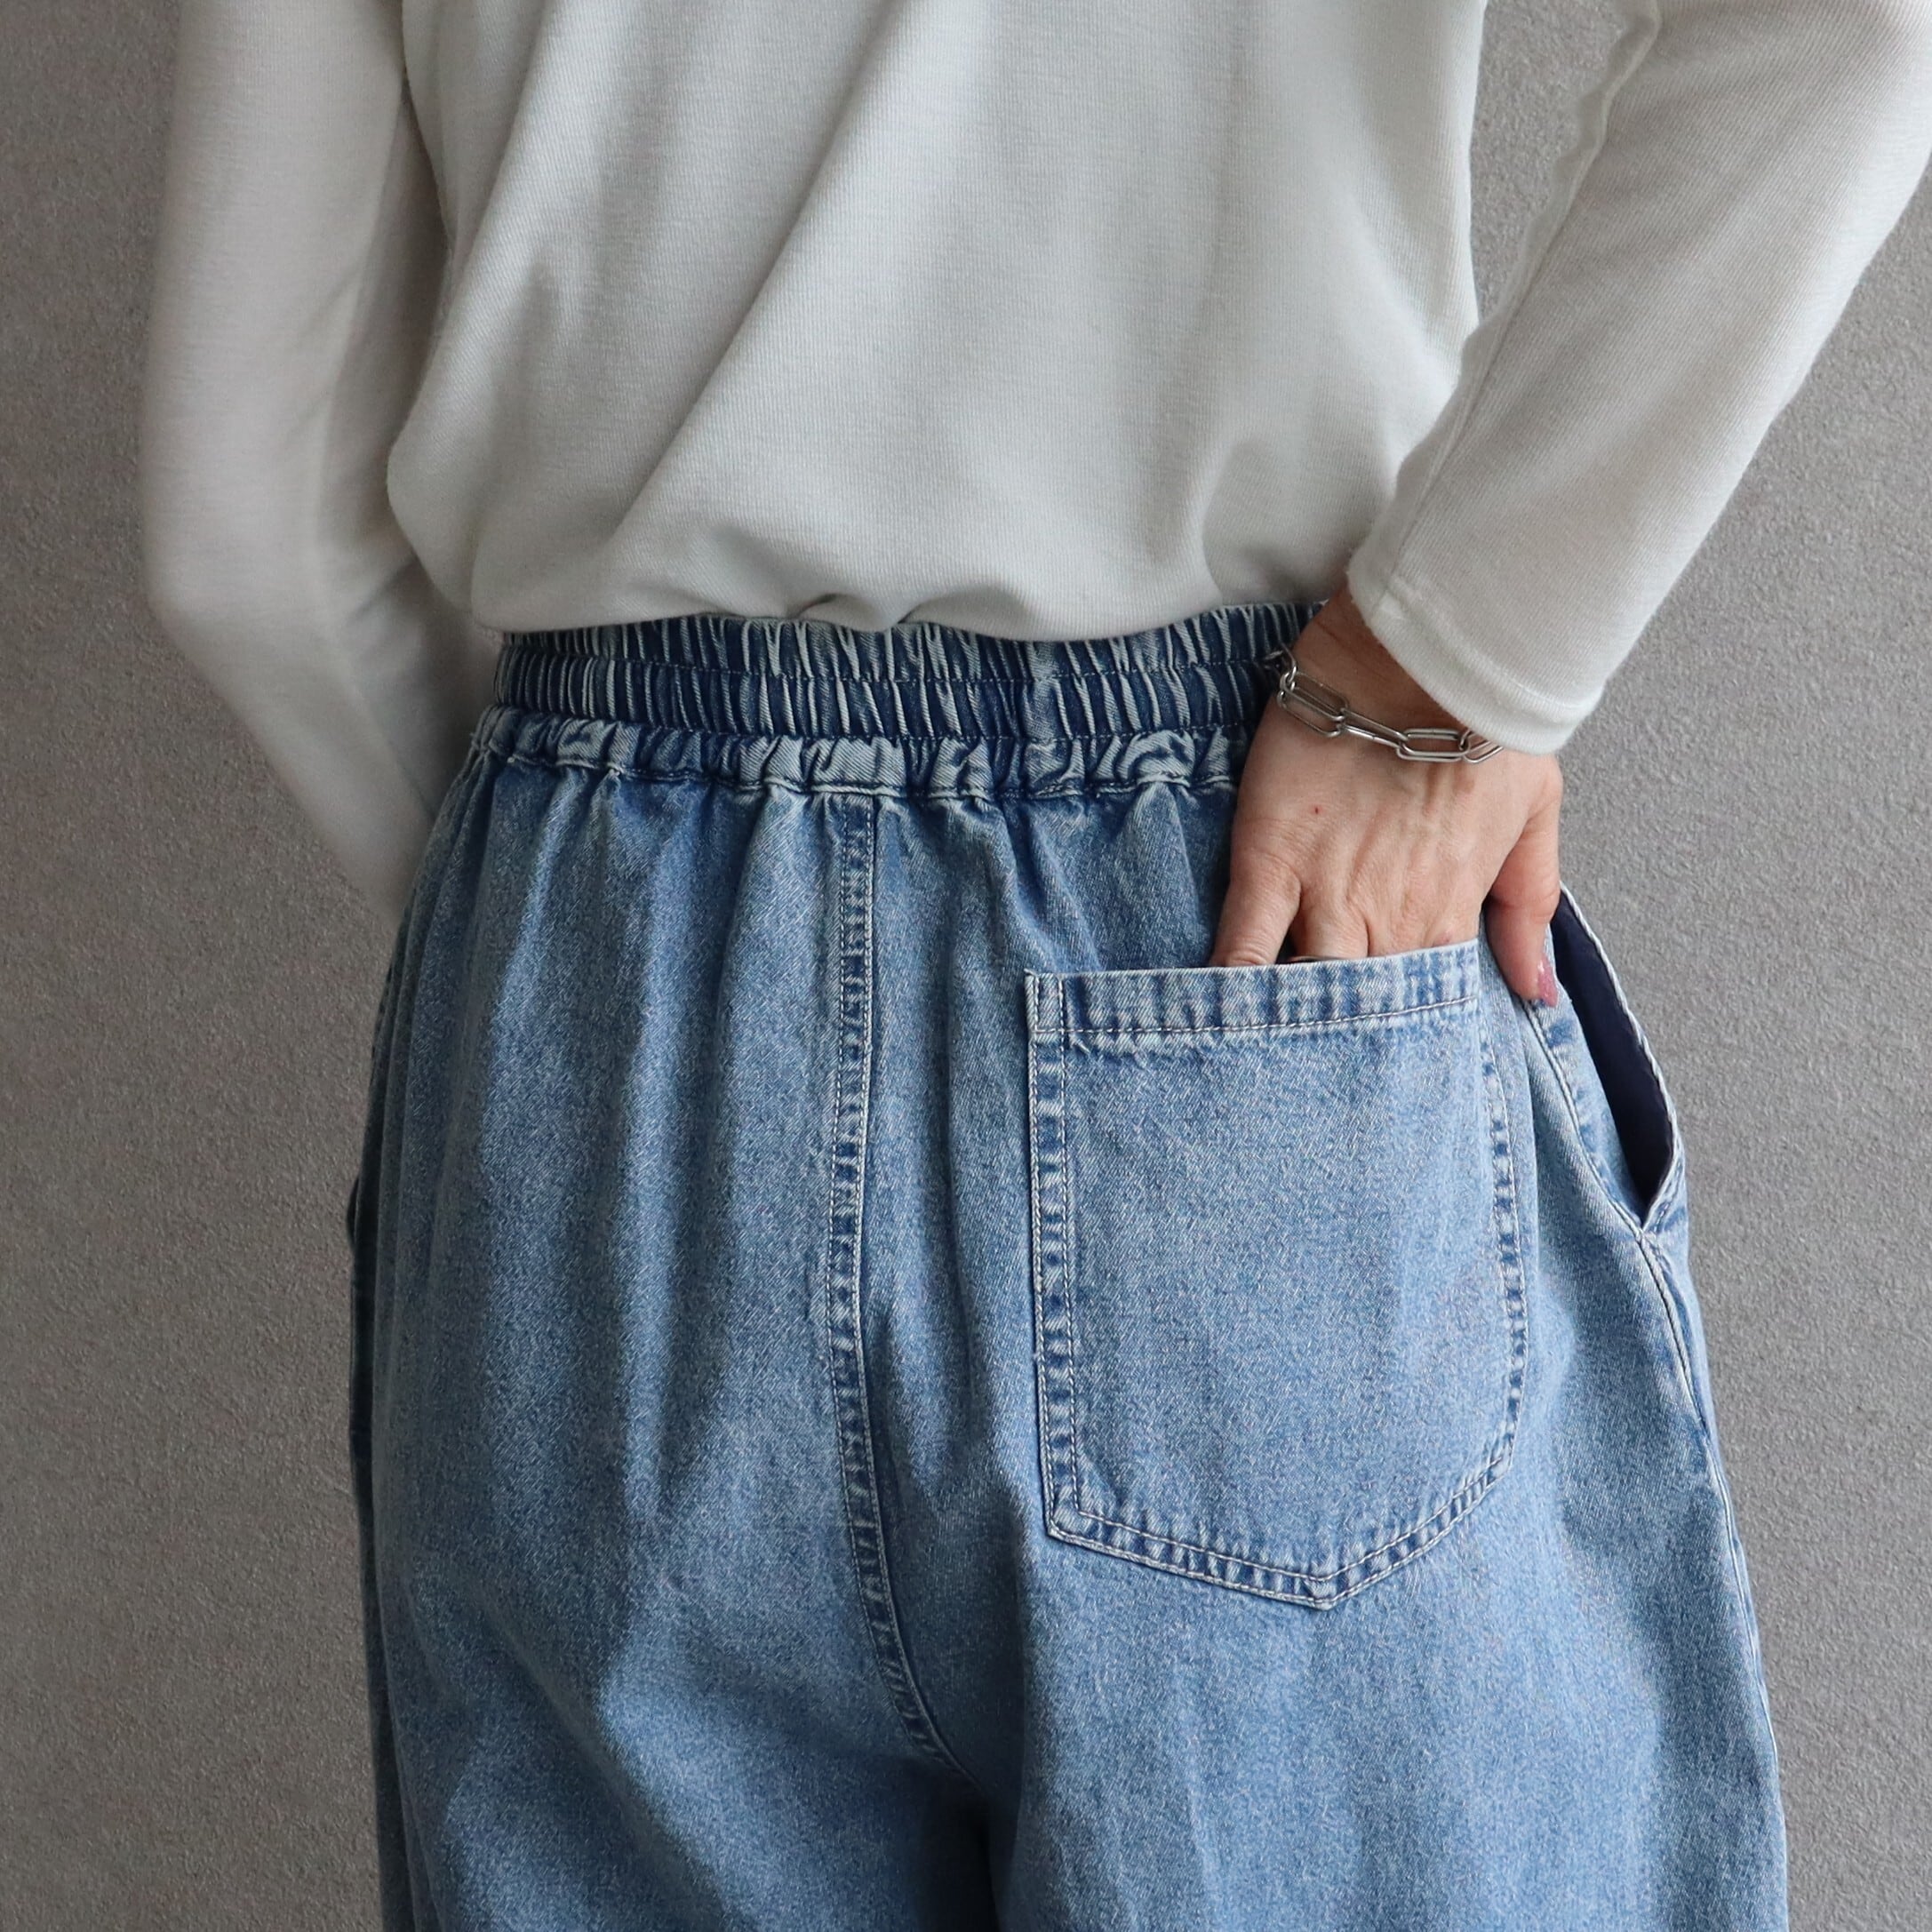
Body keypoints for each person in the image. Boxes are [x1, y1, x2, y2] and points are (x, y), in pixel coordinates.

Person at [137, 3, 1931, 1926]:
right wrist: (1448, 664)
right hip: (1231, 921)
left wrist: (588, 956)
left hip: (604, 976)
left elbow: (247, 533)